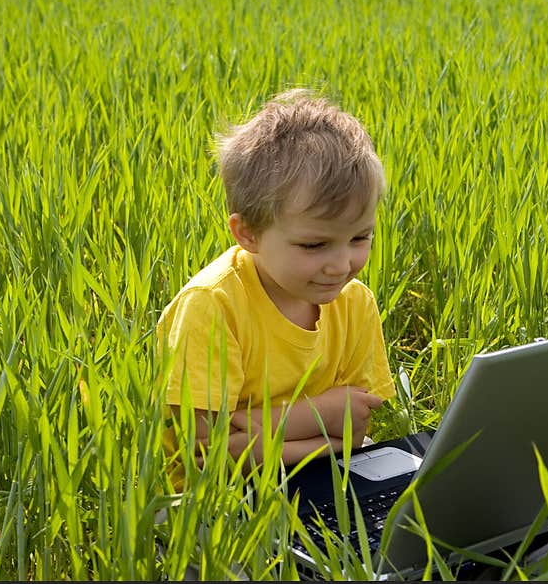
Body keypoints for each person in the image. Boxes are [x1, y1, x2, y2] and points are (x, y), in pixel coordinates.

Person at [156, 89, 396, 488]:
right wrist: (322, 423)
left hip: (321, 480)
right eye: (314, 245)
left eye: (360, 238)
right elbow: (203, 455)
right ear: (247, 233)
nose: (341, 265)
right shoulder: (212, 307)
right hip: (215, 500)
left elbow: (356, 426)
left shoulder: (355, 303)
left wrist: (254, 426)